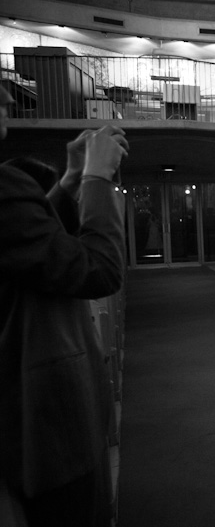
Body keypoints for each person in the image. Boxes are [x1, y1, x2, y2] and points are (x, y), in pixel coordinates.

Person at [0, 114, 130, 527]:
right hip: (45, 421)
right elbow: (99, 271)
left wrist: (71, 180)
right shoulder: (5, 184)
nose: (8, 96)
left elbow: (32, 250)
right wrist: (96, 179)